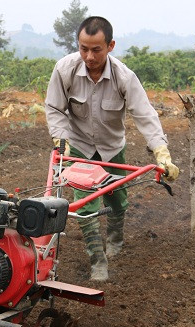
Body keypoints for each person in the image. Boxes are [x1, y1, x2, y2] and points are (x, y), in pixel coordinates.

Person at [45, 16, 180, 281]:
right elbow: (54, 108)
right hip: (80, 146)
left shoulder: (124, 77)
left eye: (96, 49)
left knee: (117, 199)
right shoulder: (65, 70)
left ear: (110, 46)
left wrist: (162, 153)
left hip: (111, 147)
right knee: (83, 205)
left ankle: (115, 236)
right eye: (83, 48)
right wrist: (61, 141)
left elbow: (145, 116)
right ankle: (98, 259)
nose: (89, 56)